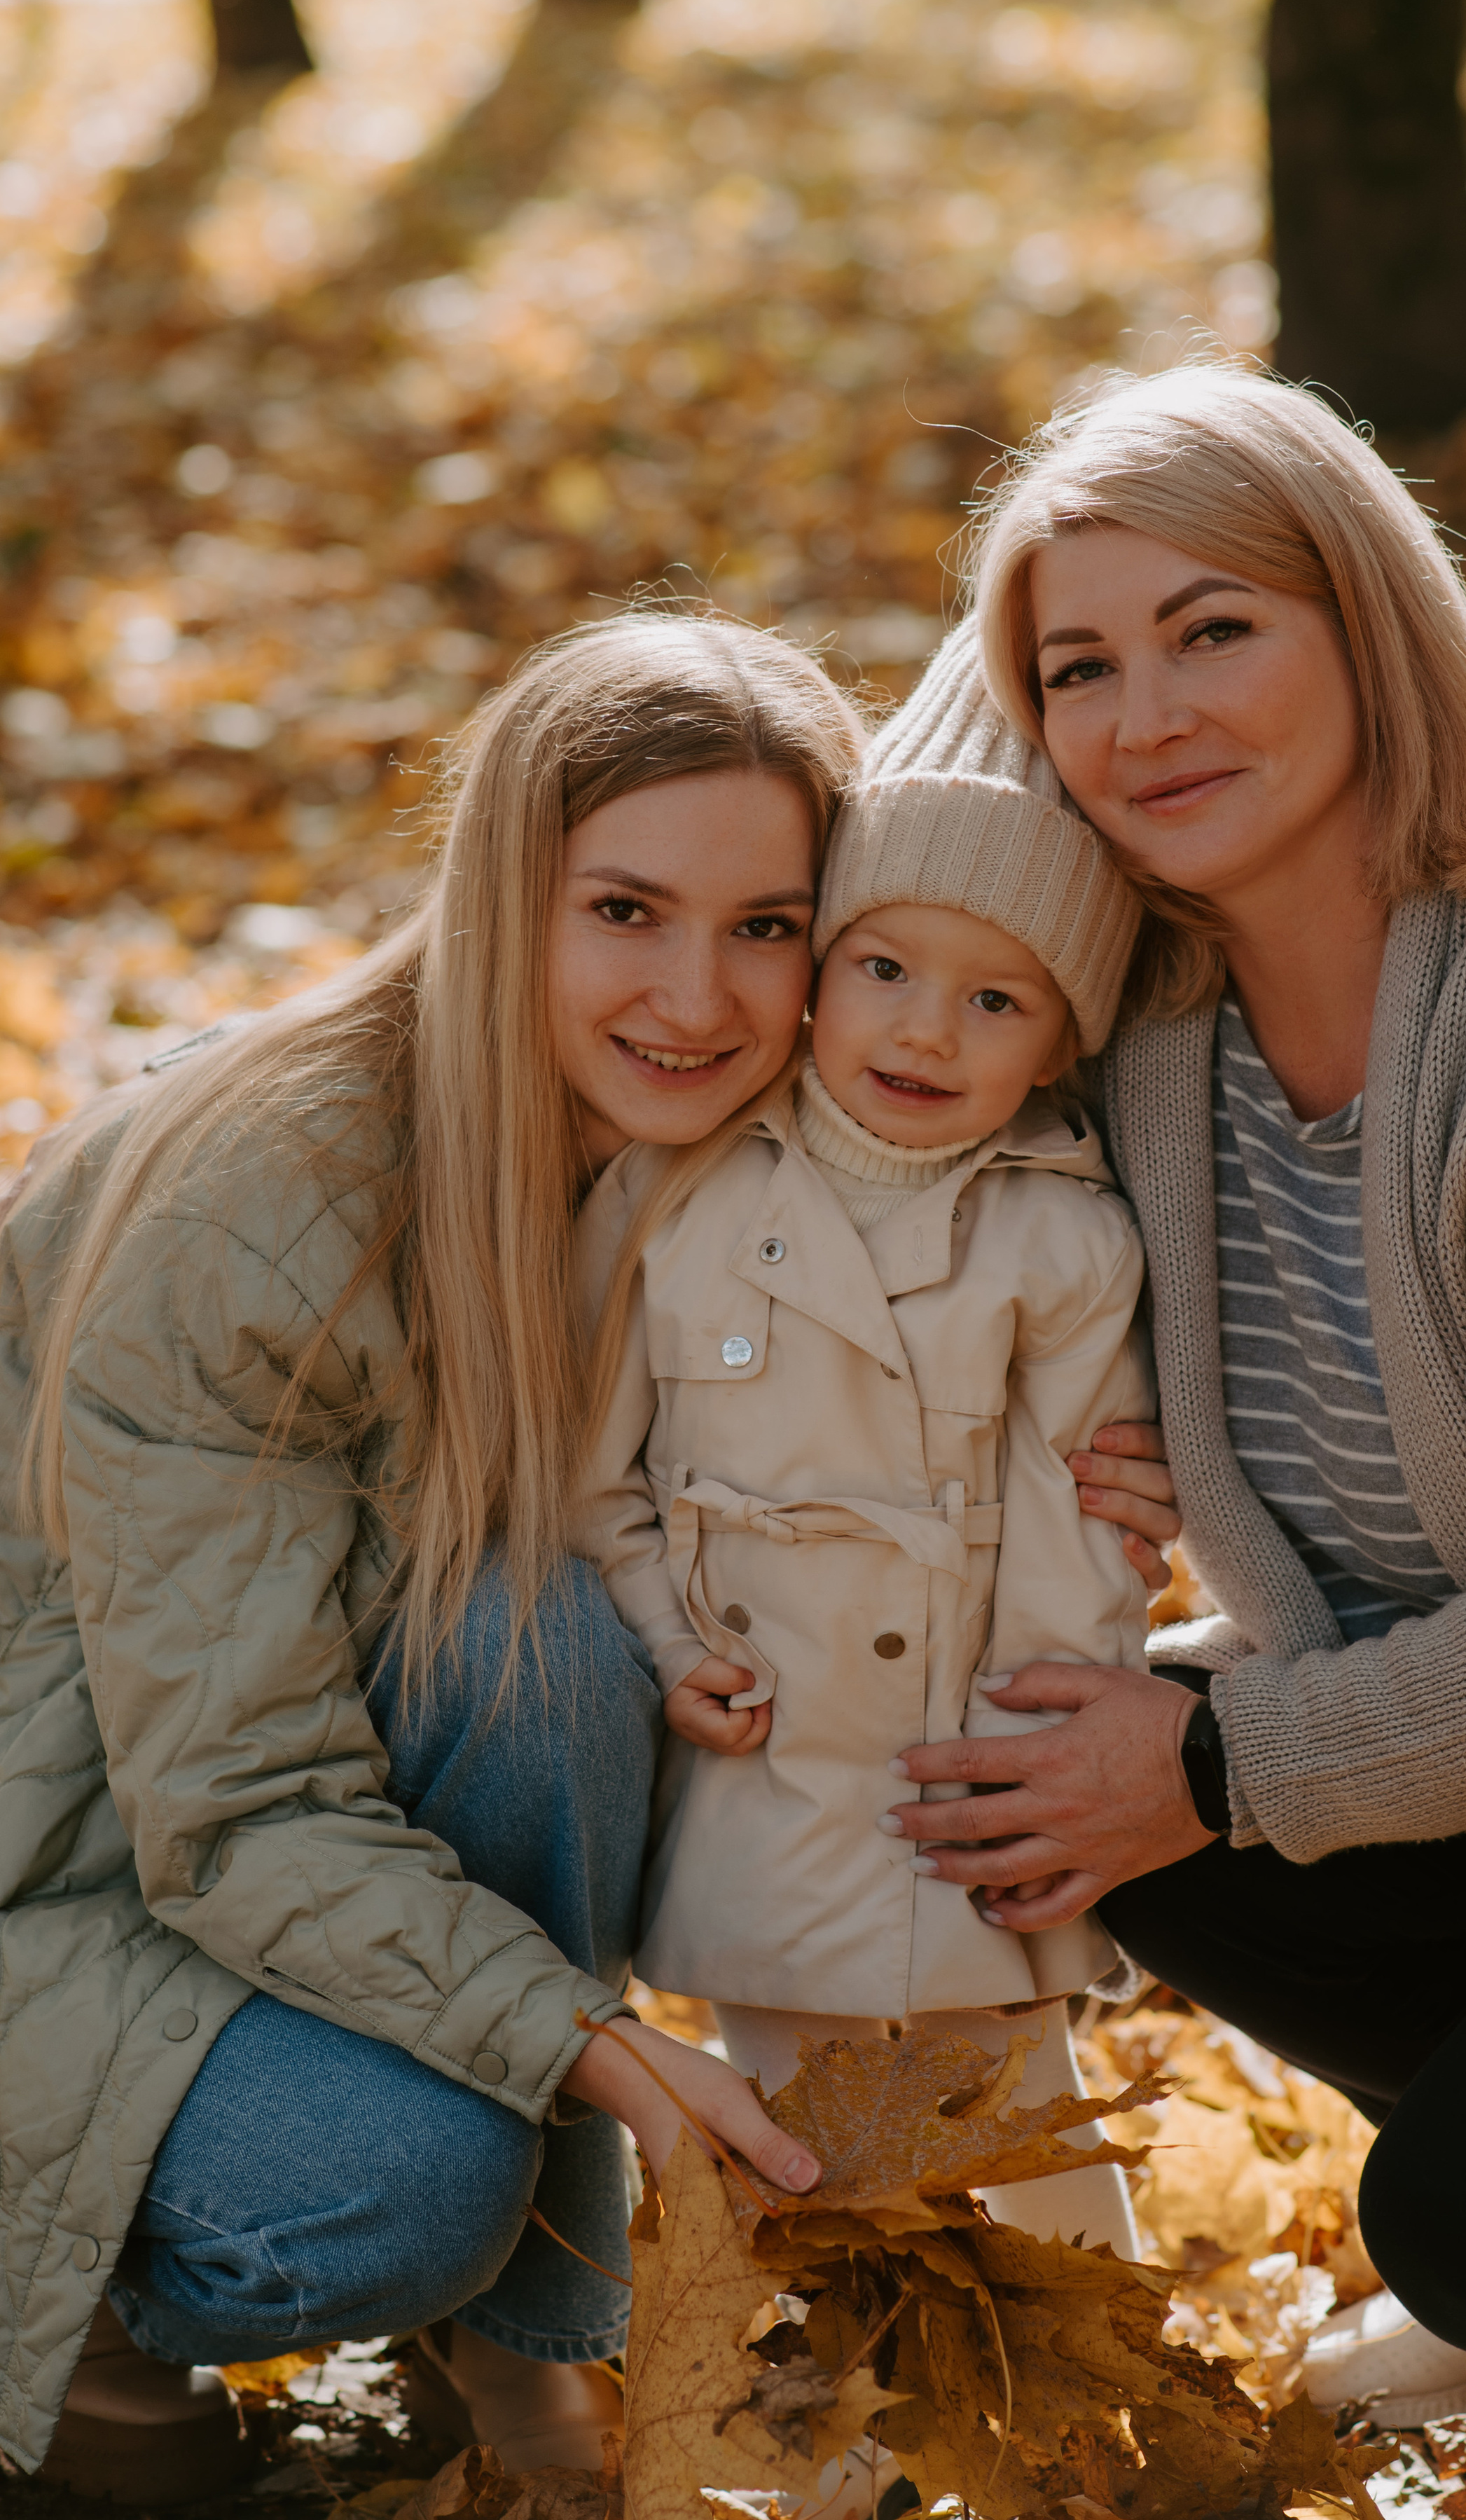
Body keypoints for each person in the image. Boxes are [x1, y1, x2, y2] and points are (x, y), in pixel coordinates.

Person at [1, 607, 1180, 2505]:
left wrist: (1123, 1455)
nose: (698, 997)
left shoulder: (737, 1151)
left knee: (540, 1639)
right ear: (502, 901)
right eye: (625, 911)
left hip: (263, 1836)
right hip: (65, 1872)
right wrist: (596, 2050)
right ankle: (88, 2351)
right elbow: (228, 1808)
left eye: (767, 926)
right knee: (400, 2180)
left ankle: (526, 2354)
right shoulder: (272, 1203)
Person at [873, 360, 1466, 2426]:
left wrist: (1219, 1763)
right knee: (1044, 1764)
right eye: (1076, 671)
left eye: (1213, 630)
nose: (1144, 718)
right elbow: (882, 928)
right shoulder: (1150, 1026)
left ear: (1372, 627)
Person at [572, 680, 1152, 2280]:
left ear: (1061, 1039)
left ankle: (1107, 2378)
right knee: (788, 2124)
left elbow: (1084, 1524)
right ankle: (819, 2398)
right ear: (820, 965)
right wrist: (665, 1640)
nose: (921, 1029)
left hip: (960, 1757)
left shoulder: (1062, 1237)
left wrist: (1044, 1774)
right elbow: (592, 1477)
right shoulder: (673, 1186)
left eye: (995, 1000)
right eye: (884, 968)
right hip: (761, 1749)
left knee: (1016, 2104)